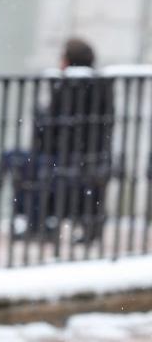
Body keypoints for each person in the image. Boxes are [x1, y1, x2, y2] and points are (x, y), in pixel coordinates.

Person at [11, 38, 114, 242]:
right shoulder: (102, 86)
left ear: (67, 61)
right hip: (92, 156)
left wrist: (39, 119)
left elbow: (52, 129)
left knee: (20, 162)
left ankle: (39, 222)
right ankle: (52, 221)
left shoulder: (68, 86)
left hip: (64, 157)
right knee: (34, 164)